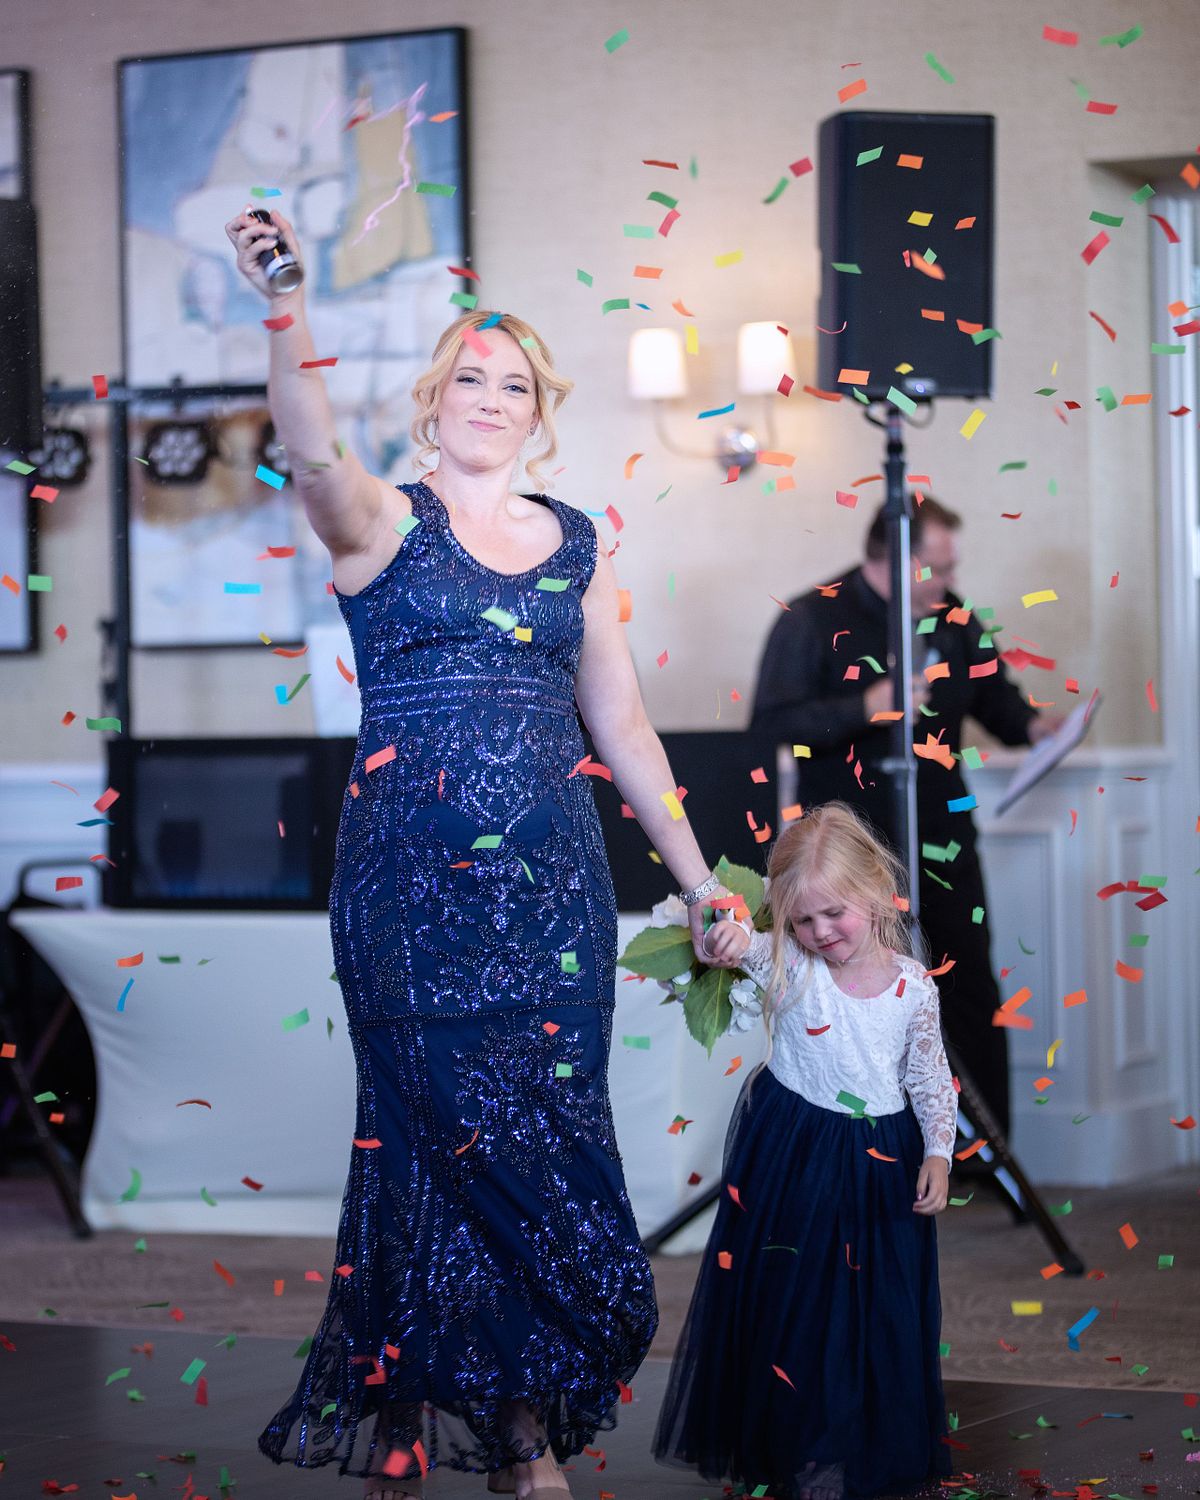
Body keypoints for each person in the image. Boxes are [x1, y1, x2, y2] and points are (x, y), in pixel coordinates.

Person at [225, 206, 729, 1499]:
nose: (490, 401)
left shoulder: (576, 546)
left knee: (545, 1135)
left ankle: (497, 1413)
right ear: (434, 398)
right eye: (469, 379)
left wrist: (697, 876)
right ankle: (486, 1422)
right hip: (411, 894)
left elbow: (621, 727)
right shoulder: (381, 521)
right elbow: (308, 442)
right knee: (437, 1136)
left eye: (514, 386)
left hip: (556, 893)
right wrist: (287, 308)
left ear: (539, 411)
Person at [652, 803, 957, 1500]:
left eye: (834, 916)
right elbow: (739, 944)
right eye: (802, 921)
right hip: (796, 1152)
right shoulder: (791, 964)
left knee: (875, 1303)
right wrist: (728, 936)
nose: (820, 933)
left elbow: (929, 1075)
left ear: (877, 892)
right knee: (798, 1297)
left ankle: (867, 1438)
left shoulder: (913, 987)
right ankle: (796, 1440)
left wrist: (937, 1151)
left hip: (880, 1158)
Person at [750, 498, 1060, 1146]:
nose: (949, 583)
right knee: (853, 979)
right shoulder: (812, 617)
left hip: (942, 825)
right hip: (849, 837)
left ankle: (981, 1149)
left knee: (966, 973)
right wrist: (866, 704)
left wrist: (1035, 726)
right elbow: (773, 723)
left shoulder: (954, 617)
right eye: (938, 569)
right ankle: (856, 1138)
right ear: (895, 557)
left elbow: (993, 697)